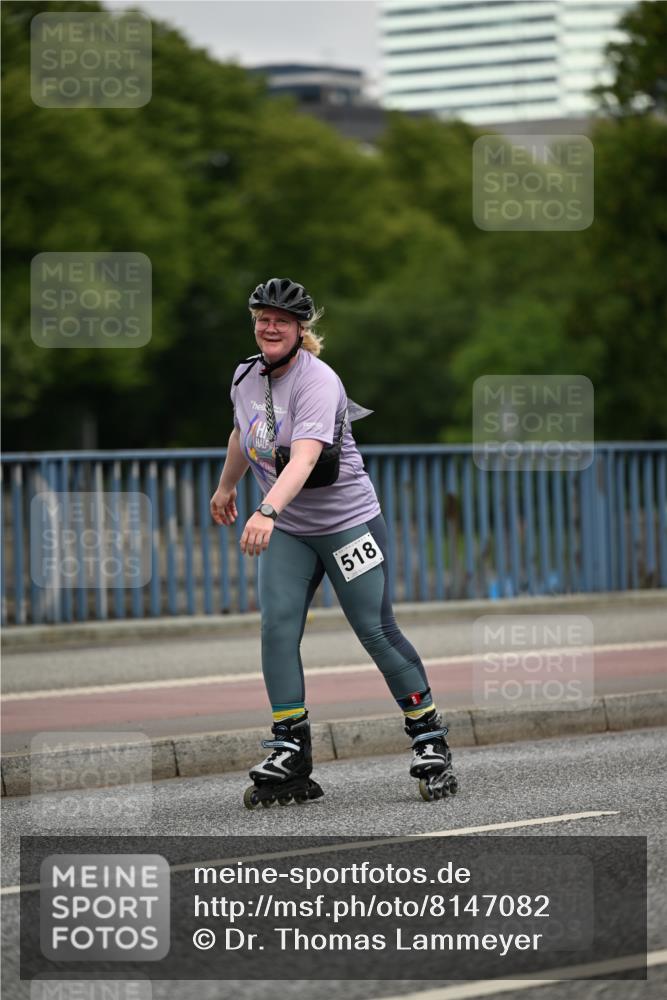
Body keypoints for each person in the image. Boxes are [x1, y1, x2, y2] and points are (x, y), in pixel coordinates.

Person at [210, 278, 458, 806]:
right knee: (277, 628)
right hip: (293, 532)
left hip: (348, 524)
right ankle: (290, 748)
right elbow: (241, 432)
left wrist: (267, 508)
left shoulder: (318, 381)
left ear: (301, 329)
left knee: (374, 628)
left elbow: (302, 457)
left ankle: (429, 736)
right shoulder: (245, 375)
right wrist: (227, 485)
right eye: (262, 318)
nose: (269, 327)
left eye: (281, 320)